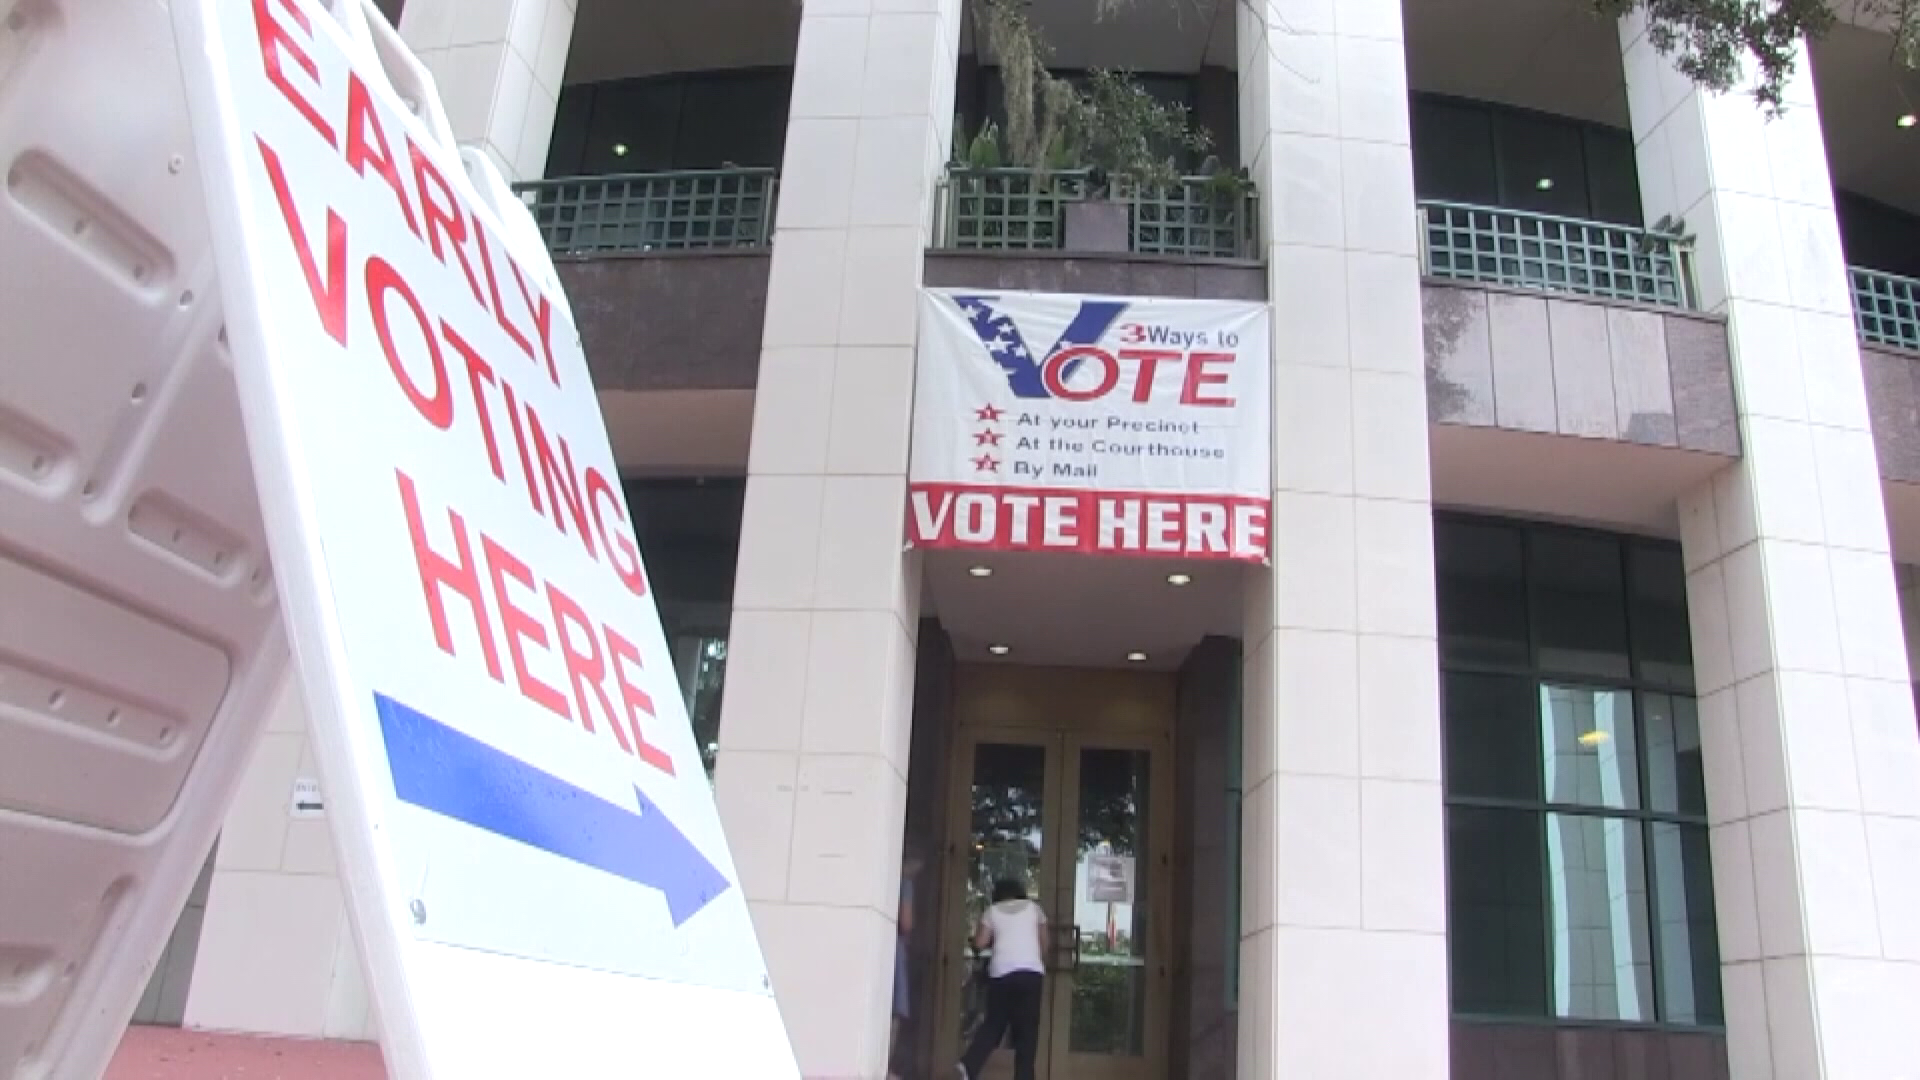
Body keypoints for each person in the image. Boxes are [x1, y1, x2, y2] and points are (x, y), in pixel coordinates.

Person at [955, 878, 1048, 1080]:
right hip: (1030, 974)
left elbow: (980, 943)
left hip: (1001, 973)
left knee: (994, 1024)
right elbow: (1044, 944)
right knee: (1027, 1032)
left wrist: (991, 942)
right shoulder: (1034, 909)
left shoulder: (992, 911)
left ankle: (969, 1065)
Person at [888, 846, 925, 1080]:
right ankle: (886, 1065)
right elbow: (906, 922)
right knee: (895, 1010)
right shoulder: (905, 883)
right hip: (896, 948)